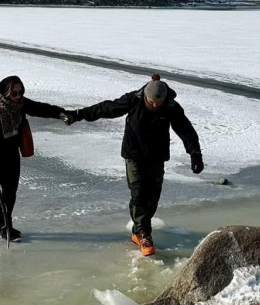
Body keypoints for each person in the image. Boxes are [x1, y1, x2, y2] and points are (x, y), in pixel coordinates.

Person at [62, 73, 202, 256]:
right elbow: (106, 108)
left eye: (157, 103)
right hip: (134, 156)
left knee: (153, 196)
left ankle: (138, 231)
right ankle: (144, 232)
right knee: (138, 194)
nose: (154, 105)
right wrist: (79, 114)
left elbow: (186, 130)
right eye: (151, 102)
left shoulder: (170, 106)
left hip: (156, 157)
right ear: (146, 96)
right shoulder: (134, 100)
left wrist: (195, 153)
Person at [0, 75, 67, 241]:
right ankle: (4, 227)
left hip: (12, 152)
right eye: (14, 94)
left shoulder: (20, 104)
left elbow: (42, 109)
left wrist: (61, 114)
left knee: (11, 192)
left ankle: (5, 225)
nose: (18, 97)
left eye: (20, 92)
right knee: (6, 193)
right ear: (5, 94)